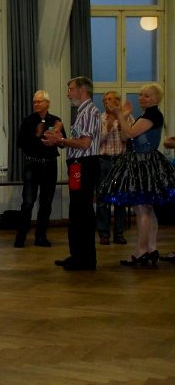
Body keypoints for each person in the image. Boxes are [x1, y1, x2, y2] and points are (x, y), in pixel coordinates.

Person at [98, 83, 175, 266]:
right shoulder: (146, 115)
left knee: (142, 209)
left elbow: (130, 133)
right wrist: (123, 116)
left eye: (146, 95)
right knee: (146, 208)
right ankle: (151, 249)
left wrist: (119, 115)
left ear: (156, 99)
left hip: (144, 163)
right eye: (140, 95)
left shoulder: (152, 115)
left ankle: (141, 251)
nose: (142, 98)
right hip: (141, 162)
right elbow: (125, 137)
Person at [43, 77, 101, 271]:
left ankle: (86, 259)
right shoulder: (82, 111)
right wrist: (60, 140)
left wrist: (61, 140)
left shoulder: (90, 111)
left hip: (84, 165)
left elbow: (84, 143)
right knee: (77, 211)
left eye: (70, 89)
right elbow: (79, 141)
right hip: (78, 166)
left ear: (82, 90)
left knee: (82, 211)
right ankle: (77, 255)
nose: (68, 93)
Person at [14, 90, 63, 248]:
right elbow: (20, 143)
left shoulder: (55, 120)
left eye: (39, 101)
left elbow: (62, 143)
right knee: (28, 202)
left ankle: (41, 236)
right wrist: (37, 135)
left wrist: (57, 134)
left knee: (46, 203)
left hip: (49, 165)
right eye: (34, 101)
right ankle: (21, 236)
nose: (36, 104)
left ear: (47, 103)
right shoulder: (28, 121)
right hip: (32, 164)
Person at [95, 91, 132, 246]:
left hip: (121, 161)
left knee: (120, 199)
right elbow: (97, 141)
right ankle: (104, 234)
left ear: (117, 101)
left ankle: (119, 233)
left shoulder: (127, 117)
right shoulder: (99, 118)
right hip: (104, 161)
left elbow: (130, 137)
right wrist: (109, 126)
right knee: (103, 199)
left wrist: (121, 120)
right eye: (105, 100)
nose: (107, 102)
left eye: (110, 99)